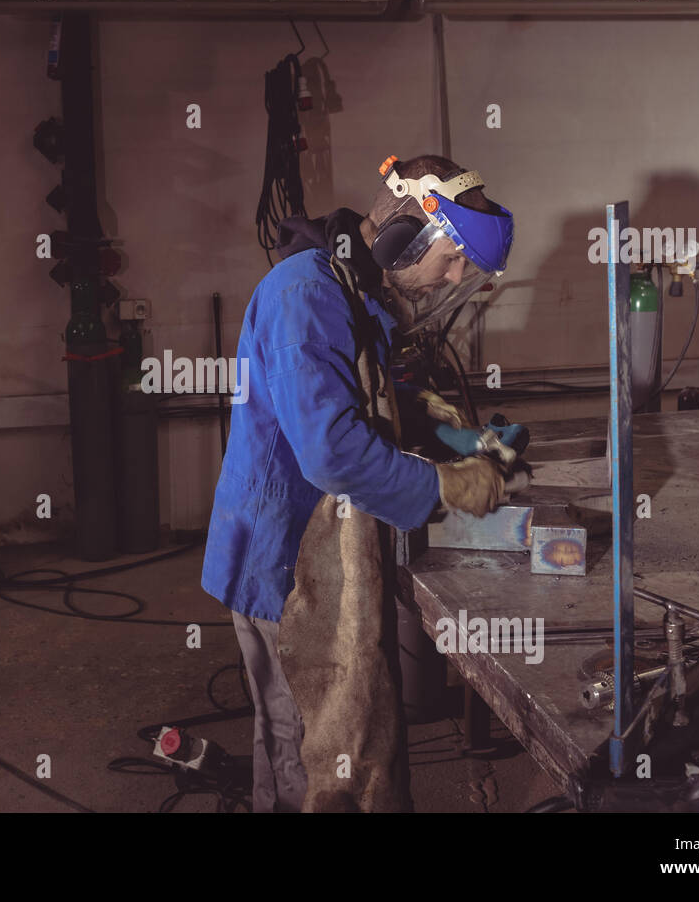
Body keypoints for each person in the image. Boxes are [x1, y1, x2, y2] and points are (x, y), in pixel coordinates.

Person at [201, 153, 516, 812]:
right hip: (283, 560)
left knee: (329, 739)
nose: (452, 277)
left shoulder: (356, 291)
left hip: (328, 548)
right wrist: (448, 490)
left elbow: (386, 400)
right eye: (453, 258)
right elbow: (332, 450)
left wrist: (463, 441)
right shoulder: (305, 292)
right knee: (315, 753)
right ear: (406, 232)